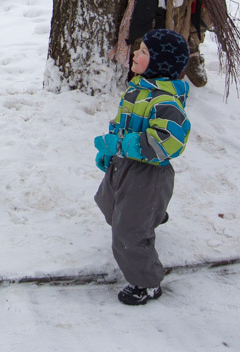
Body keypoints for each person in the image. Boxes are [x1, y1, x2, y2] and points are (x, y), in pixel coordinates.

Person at [93, 28, 191, 305]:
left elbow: (168, 143)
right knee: (108, 203)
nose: (135, 53)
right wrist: (111, 151)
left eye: (144, 51)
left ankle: (146, 283)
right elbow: (123, 122)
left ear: (161, 63)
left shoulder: (165, 102)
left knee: (128, 233)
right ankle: (150, 215)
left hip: (149, 174)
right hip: (123, 164)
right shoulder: (138, 89)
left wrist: (120, 145)